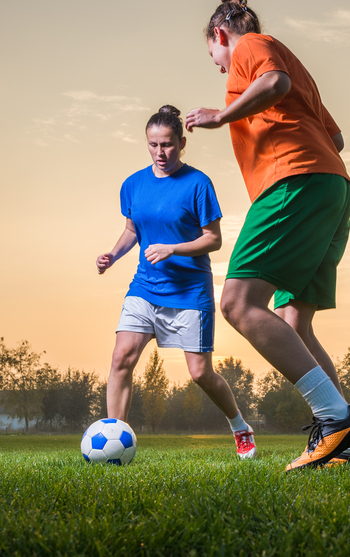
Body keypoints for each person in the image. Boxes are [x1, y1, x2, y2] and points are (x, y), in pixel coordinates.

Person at [185, 1, 350, 471]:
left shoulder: (250, 45)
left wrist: (221, 115)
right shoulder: (295, 63)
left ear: (220, 35)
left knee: (238, 303)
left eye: (215, 57)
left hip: (293, 183)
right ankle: (344, 447)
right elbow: (337, 138)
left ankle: (335, 421)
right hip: (331, 186)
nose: (221, 67)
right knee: (294, 323)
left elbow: (273, 83)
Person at [96, 105, 255, 459]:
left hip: (189, 291)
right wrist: (112, 255)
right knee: (121, 357)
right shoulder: (133, 185)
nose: (160, 153)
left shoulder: (198, 184)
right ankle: (116, 443)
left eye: (167, 144)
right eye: (153, 145)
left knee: (201, 374)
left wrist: (173, 249)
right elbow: (131, 230)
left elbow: (213, 239)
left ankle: (239, 427)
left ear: (182, 143)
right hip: (145, 287)